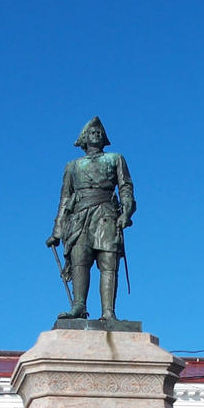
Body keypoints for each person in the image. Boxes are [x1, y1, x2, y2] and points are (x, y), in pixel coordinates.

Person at [46, 116, 136, 320]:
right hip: (80, 218)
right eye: (91, 132)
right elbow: (64, 199)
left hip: (106, 214)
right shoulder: (72, 166)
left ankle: (108, 311)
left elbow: (126, 188)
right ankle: (79, 306)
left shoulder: (115, 159)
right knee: (81, 260)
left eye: (99, 132)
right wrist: (56, 233)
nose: (96, 134)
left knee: (108, 262)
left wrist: (126, 212)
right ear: (84, 139)